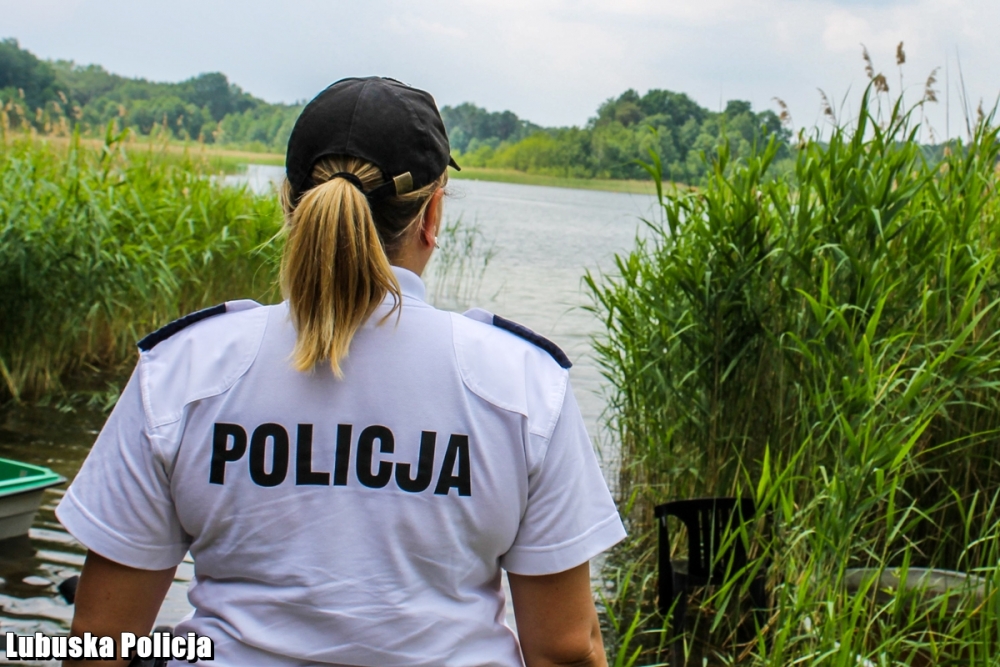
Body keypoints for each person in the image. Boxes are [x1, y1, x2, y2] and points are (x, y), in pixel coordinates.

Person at [57, 76, 626, 667]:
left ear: (290, 204)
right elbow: (564, 648)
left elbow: (102, 638)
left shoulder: (182, 370)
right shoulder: (522, 384)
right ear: (432, 215)